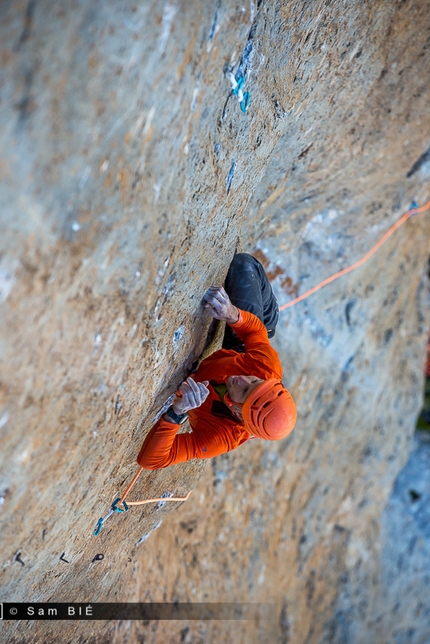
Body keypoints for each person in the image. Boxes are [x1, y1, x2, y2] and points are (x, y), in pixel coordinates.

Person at [137, 253, 297, 470]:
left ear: (239, 412)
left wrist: (178, 410)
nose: (242, 379)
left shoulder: (221, 436)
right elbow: (254, 332)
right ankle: (266, 313)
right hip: (241, 346)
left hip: (220, 370)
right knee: (244, 266)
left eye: (244, 391)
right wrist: (231, 314)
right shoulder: (266, 369)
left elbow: (151, 461)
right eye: (254, 381)